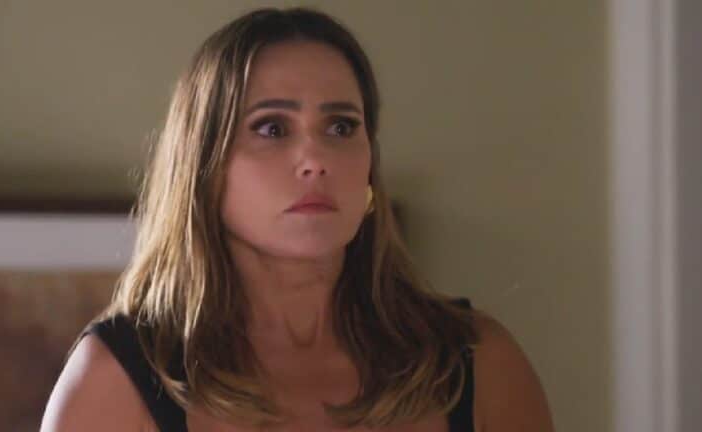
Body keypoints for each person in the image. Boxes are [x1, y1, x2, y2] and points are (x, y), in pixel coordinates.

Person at [40, 7, 553, 432]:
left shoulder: (477, 363)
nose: (315, 158)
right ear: (204, 166)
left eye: (341, 126)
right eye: (272, 128)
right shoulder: (119, 379)